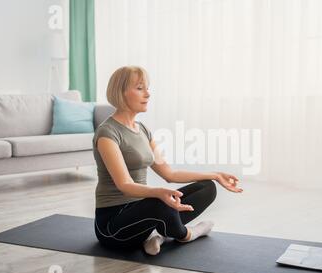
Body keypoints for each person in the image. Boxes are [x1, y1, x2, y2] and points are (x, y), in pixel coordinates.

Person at [93, 66, 243, 255]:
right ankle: (189, 233)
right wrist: (158, 193)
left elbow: (169, 174)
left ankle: (157, 235)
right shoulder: (107, 133)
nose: (147, 94)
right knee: (161, 201)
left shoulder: (143, 130)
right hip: (114, 226)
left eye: (147, 88)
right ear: (121, 92)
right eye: (140, 88)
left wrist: (214, 174)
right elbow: (124, 184)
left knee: (207, 187)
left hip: (143, 212)